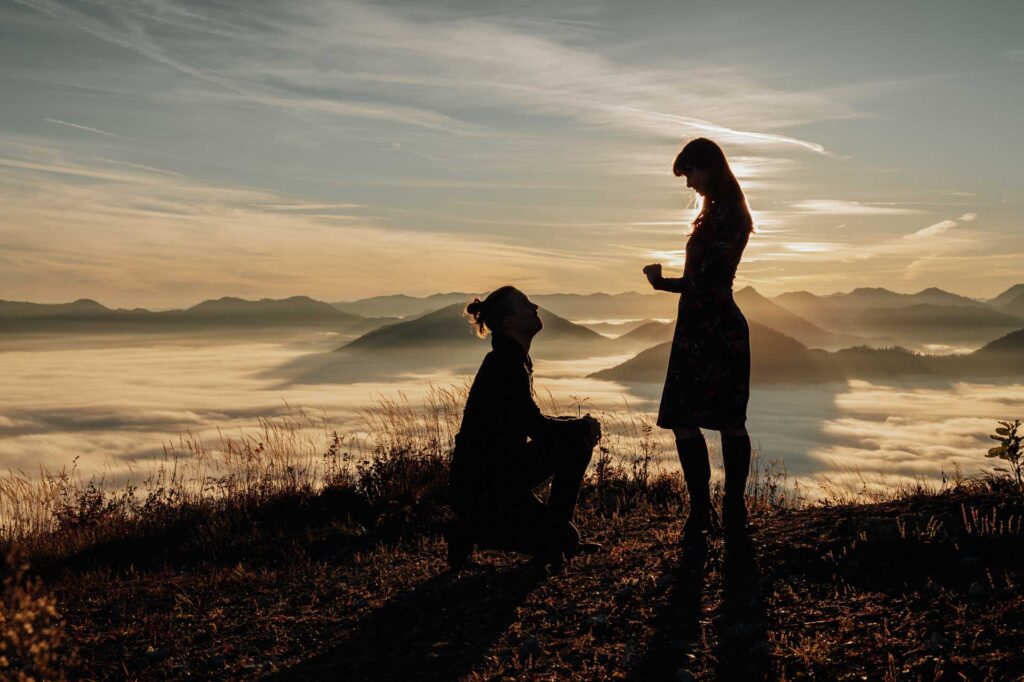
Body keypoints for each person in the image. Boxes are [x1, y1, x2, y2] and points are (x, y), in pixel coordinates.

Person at [642, 137, 755, 547]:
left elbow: (707, 281)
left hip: (713, 328)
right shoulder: (721, 213)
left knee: (723, 419)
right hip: (699, 327)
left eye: (689, 172)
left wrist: (661, 283)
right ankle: (707, 510)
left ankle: (725, 509)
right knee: (687, 418)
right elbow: (705, 281)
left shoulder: (729, 215)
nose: (688, 183)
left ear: (707, 166)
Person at [446, 286, 603, 569]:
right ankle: (476, 529)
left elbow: (530, 421)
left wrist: (576, 426)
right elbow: (538, 428)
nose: (536, 307)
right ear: (511, 322)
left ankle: (551, 537)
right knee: (575, 440)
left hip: (494, 477)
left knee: (574, 435)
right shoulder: (506, 365)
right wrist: (583, 426)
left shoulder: (510, 359)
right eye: (526, 304)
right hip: (487, 489)